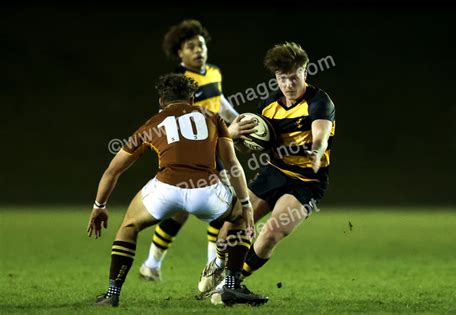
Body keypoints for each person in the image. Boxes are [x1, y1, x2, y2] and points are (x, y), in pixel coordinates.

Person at [87, 74, 267, 307]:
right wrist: (245, 205)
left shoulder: (152, 124)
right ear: (192, 99)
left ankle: (112, 293)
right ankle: (231, 286)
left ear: (162, 101)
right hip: (206, 190)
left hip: (166, 190)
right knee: (240, 218)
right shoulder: (213, 118)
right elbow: (233, 165)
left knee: (129, 226)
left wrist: (99, 207)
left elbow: (113, 171)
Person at [198, 42, 336, 298]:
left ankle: (232, 283)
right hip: (273, 172)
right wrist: (237, 137)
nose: (288, 85)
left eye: (294, 77)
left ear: (305, 72)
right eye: (282, 79)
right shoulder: (269, 103)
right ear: (276, 77)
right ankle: (218, 264)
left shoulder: (319, 101)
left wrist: (316, 151)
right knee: (233, 223)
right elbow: (253, 147)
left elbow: (321, 134)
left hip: (307, 181)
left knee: (272, 231)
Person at [139, 20, 256, 281]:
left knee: (181, 212)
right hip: (193, 153)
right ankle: (212, 271)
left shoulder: (213, 72)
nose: (197, 50)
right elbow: (168, 117)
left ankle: (151, 265)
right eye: (190, 47)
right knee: (221, 207)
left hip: (214, 148)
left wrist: (240, 121)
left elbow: (221, 104)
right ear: (179, 53)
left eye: (200, 45)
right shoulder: (178, 82)